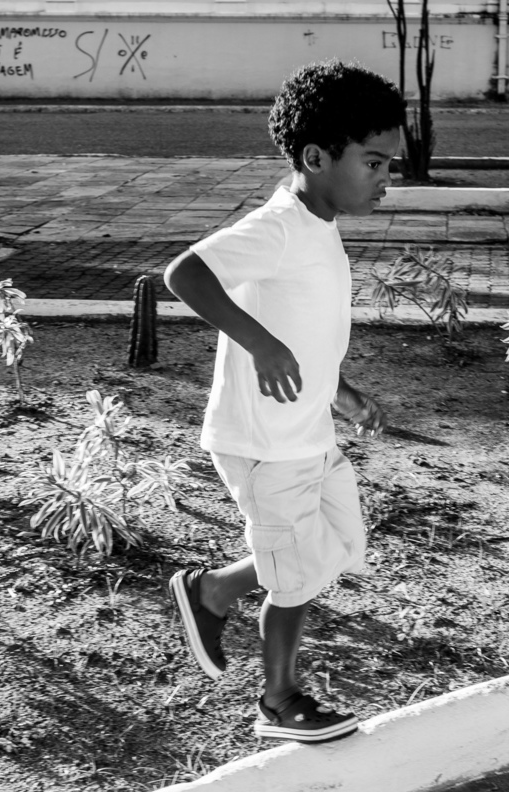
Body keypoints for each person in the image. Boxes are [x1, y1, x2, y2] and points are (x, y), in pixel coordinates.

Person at [163, 60, 404, 743]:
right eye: (375, 163)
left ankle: (212, 590)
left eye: (390, 165)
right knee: (297, 571)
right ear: (316, 156)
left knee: (340, 547)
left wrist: (341, 392)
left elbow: (310, 333)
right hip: (264, 444)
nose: (386, 179)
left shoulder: (319, 224)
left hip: (307, 433)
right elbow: (185, 273)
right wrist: (259, 344)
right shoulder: (278, 226)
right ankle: (279, 701)